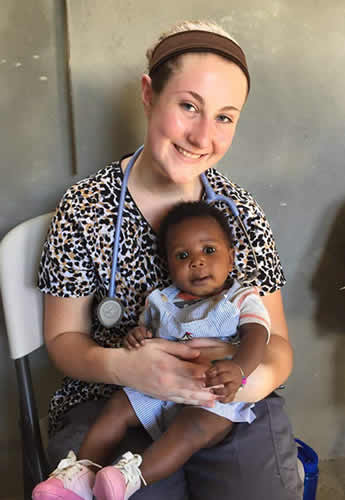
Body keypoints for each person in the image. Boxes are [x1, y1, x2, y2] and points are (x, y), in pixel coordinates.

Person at [32, 19, 302, 500]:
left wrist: (243, 378)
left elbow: (277, 343)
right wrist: (125, 368)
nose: (202, 136)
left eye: (224, 117)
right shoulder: (86, 208)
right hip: (111, 398)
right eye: (188, 106)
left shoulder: (240, 214)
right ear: (149, 94)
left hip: (221, 394)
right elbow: (63, 339)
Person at [34, 201, 271, 499]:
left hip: (211, 395)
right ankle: (81, 473)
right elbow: (148, 337)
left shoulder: (241, 298)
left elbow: (257, 336)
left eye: (209, 250)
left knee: (193, 427)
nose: (197, 262)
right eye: (183, 255)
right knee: (118, 407)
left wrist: (238, 369)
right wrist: (137, 337)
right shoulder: (160, 301)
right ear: (169, 266)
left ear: (231, 256)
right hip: (159, 390)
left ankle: (130, 478)